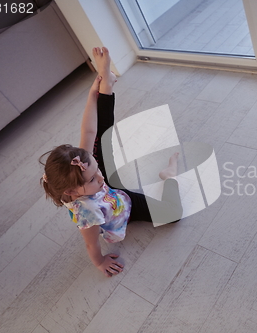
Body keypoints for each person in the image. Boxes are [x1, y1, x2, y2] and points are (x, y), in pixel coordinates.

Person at [39, 47, 183, 277]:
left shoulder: (82, 170)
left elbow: (89, 130)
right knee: (173, 213)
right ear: (72, 191)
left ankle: (106, 85)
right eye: (95, 178)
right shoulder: (87, 214)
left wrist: (92, 95)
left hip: (112, 194)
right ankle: (169, 176)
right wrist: (99, 262)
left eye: (97, 171)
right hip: (124, 207)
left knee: (101, 138)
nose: (101, 176)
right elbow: (91, 245)